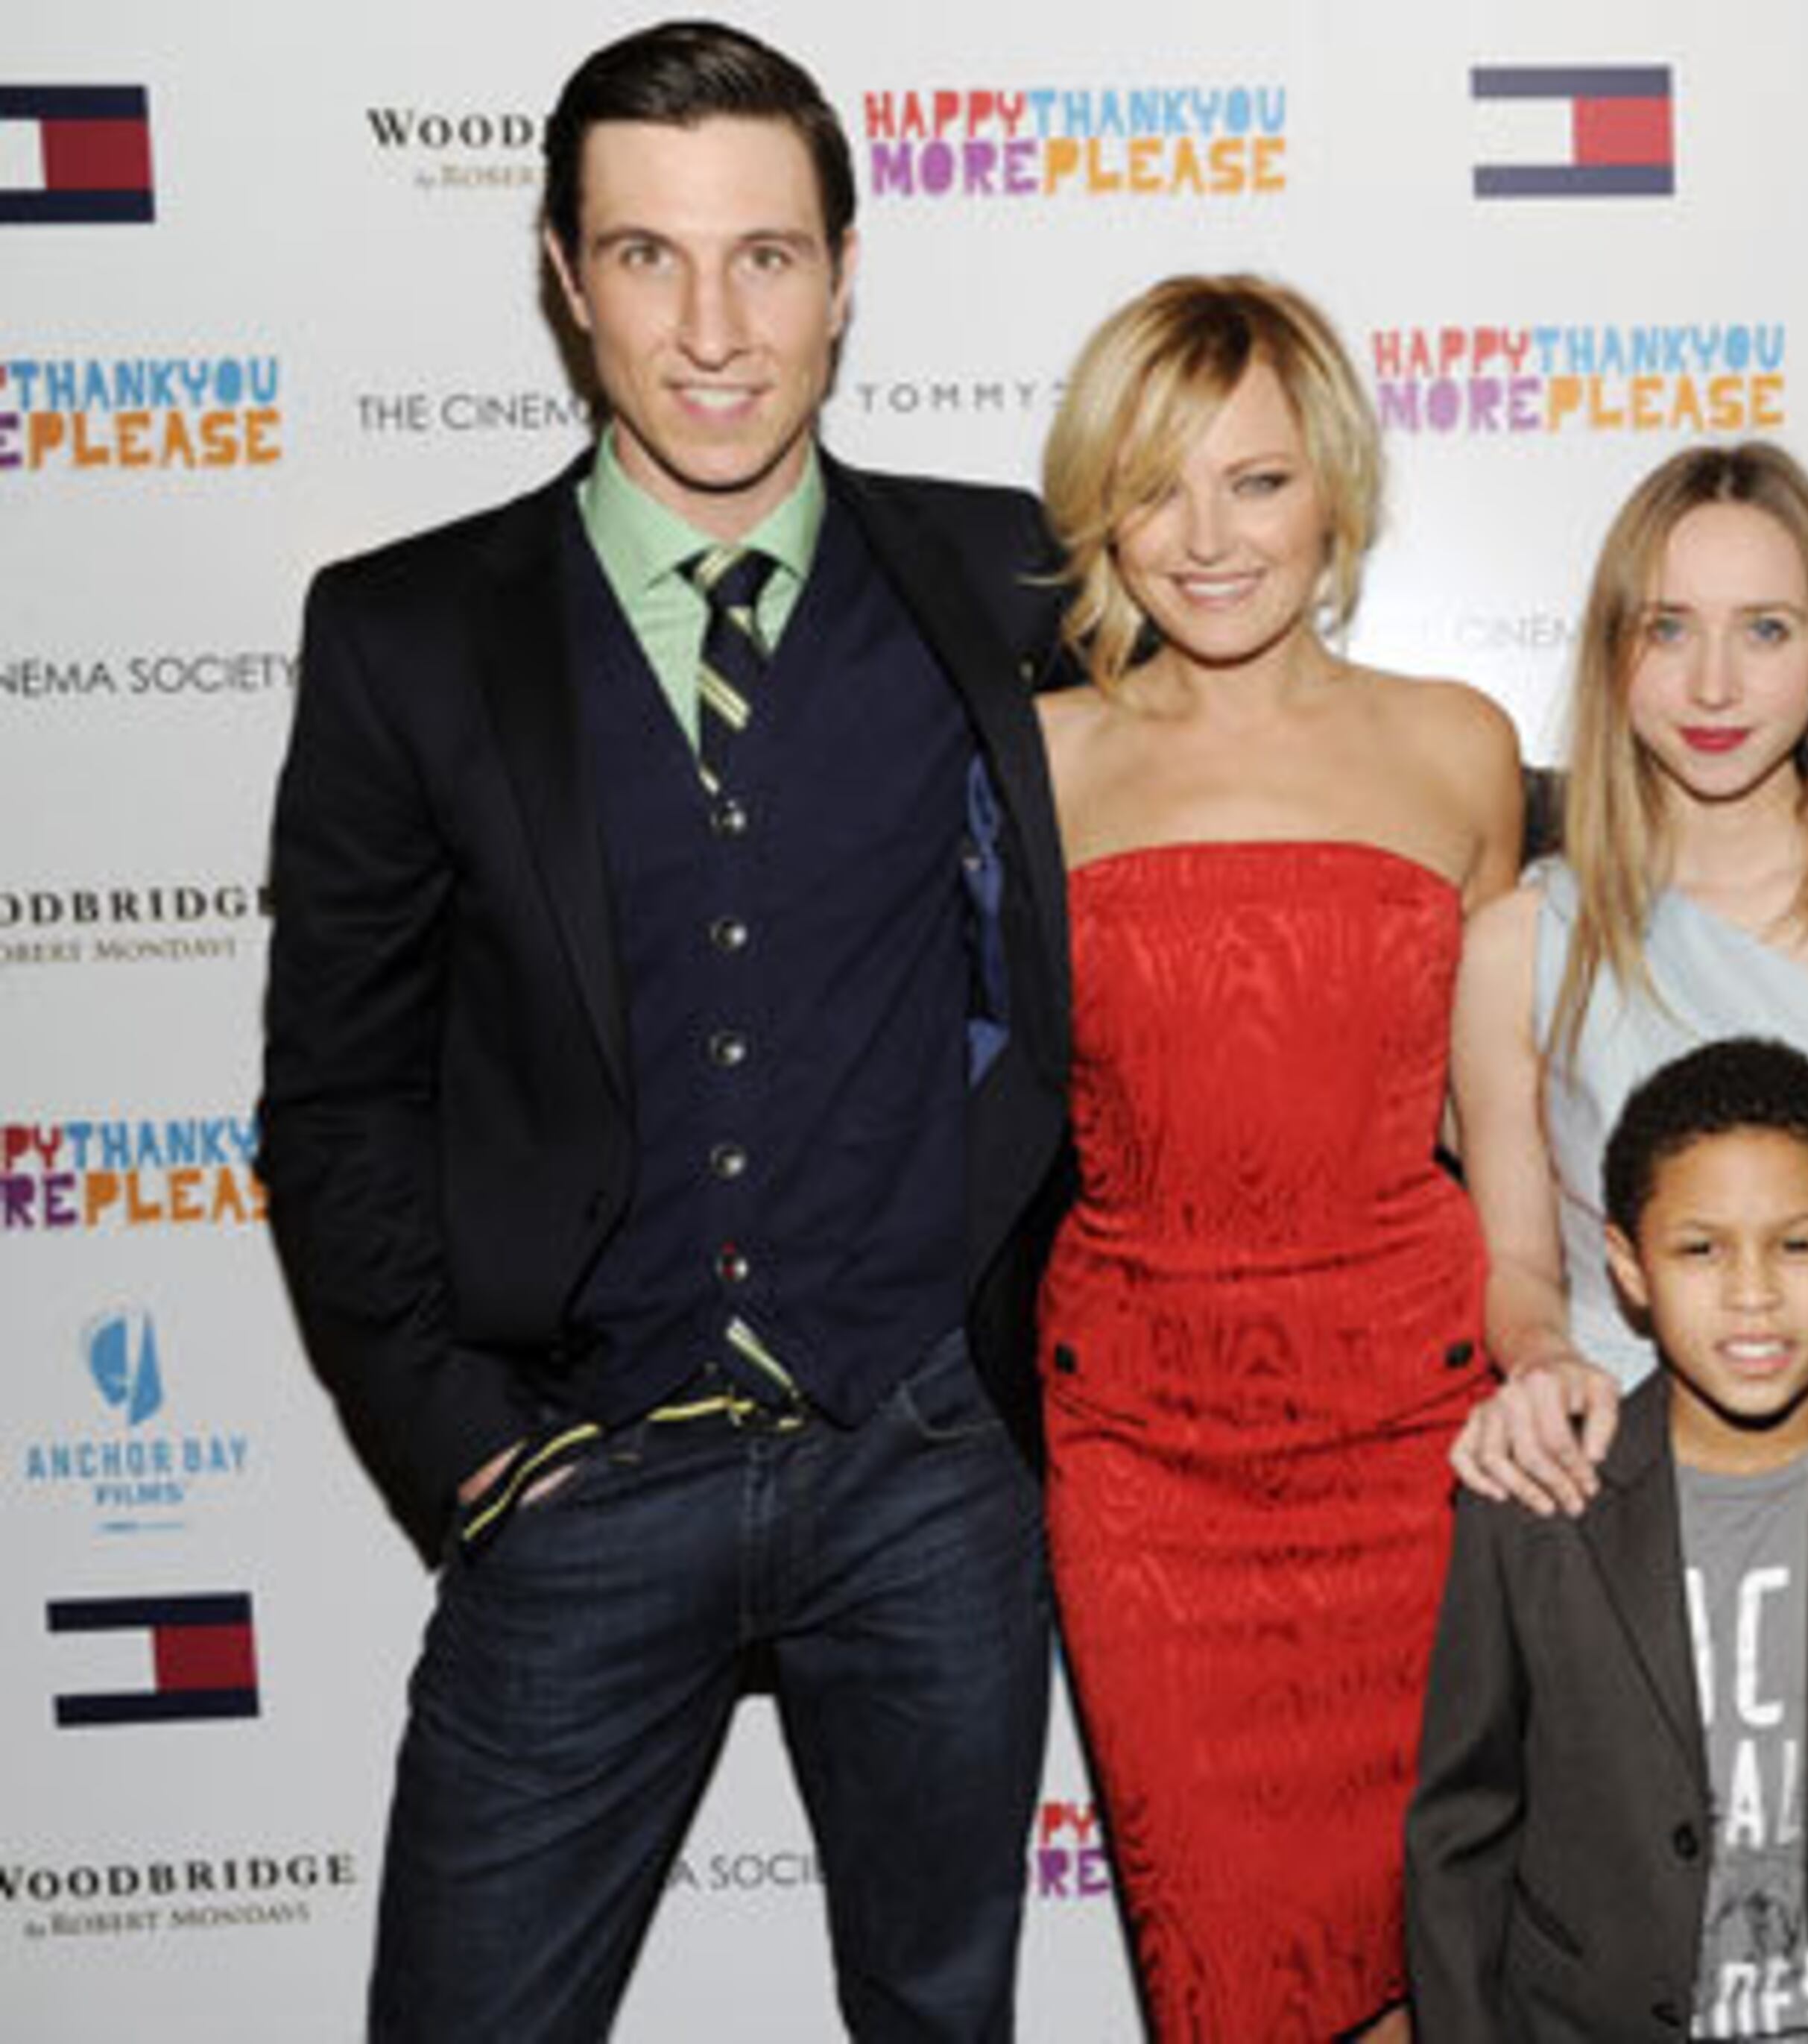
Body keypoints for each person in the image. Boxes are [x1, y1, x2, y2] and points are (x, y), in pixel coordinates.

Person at [258, 22, 1066, 2039]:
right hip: (579, 1478)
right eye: (647, 256)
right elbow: (338, 1085)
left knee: (942, 2014)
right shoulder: (404, 631)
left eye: (767, 257)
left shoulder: (1014, 579)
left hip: (925, 1471)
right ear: (561, 271)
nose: (715, 326)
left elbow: (1281, 766)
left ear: (849, 267)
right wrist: (462, 1444)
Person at [1032, 273, 1524, 2040]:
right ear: (1100, 508)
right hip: (1150, 1465)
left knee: (1444, 1954)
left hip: (1413, 1443)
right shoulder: (1039, 763)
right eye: (1157, 486)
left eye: (1255, 481)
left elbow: (1508, 1112)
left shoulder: (1457, 746)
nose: (1208, 537)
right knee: (1223, 1978)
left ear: (1334, 491)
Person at [1406, 1036, 1808, 2040]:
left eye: (1798, 1244)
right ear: (1629, 1265)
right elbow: (1461, 1837)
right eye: (1700, 1247)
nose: (1752, 1291)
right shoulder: (1535, 1502)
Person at [1449, 442, 1808, 1521]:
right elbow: (1519, 1265)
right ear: (1610, 651)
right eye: (1667, 628)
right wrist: (1540, 1363)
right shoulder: (1521, 938)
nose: (1713, 683)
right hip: (1605, 1474)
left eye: (1765, 629)